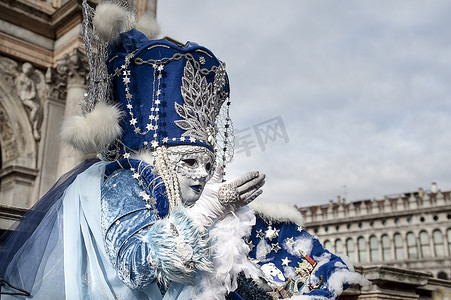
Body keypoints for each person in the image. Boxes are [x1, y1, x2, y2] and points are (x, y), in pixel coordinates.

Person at [0, 2, 368, 299]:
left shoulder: (195, 199)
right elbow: (135, 264)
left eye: (207, 164)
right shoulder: (124, 185)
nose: (200, 173)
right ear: (159, 159)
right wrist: (206, 214)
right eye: (188, 161)